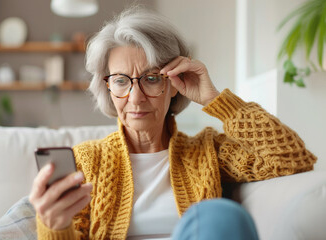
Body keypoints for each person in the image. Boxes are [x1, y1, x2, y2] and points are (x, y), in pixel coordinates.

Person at [29, 6, 317, 240]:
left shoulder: (207, 152)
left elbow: (292, 158)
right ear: (107, 88)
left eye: (152, 78)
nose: (136, 98)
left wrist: (216, 100)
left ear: (175, 84)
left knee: (221, 215)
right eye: (120, 81)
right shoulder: (86, 161)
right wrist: (54, 227)